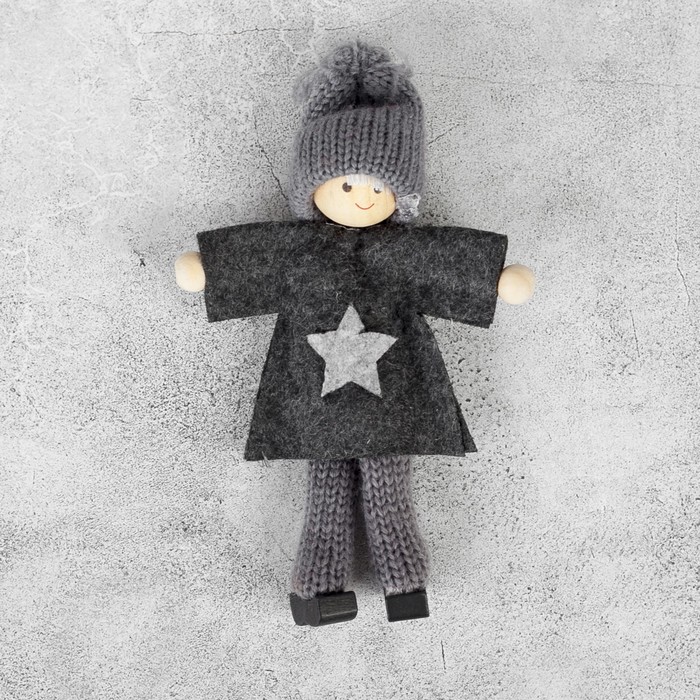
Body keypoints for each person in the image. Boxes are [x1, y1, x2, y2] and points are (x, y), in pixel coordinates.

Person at [175, 42, 535, 626]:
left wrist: (495, 279)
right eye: (347, 185)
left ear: (402, 195)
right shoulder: (299, 249)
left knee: (390, 490)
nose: (363, 198)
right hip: (316, 399)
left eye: (378, 187)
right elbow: (252, 261)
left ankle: (404, 584)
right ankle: (319, 591)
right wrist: (211, 269)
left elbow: (448, 266)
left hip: (391, 398)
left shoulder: (403, 251)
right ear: (313, 185)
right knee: (325, 492)